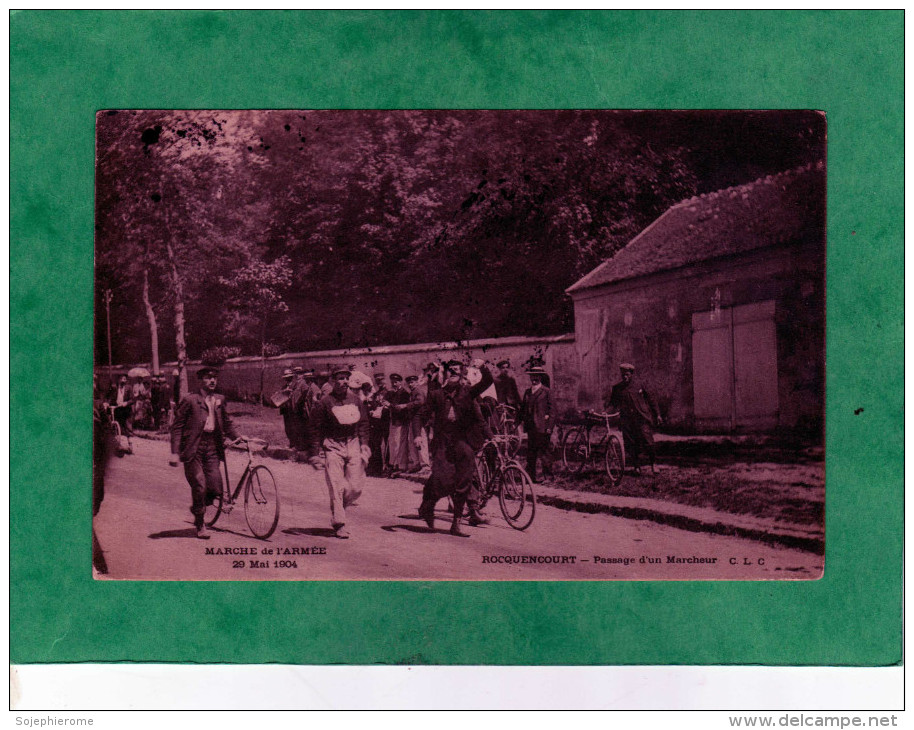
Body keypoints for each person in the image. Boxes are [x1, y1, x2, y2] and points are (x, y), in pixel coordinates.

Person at [416, 359, 494, 537]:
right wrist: (418, 434)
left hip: (461, 441)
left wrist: (482, 366)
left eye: (457, 372)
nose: (453, 374)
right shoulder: (436, 395)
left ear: (461, 376)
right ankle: (427, 506)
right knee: (443, 481)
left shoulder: (467, 393)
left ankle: (456, 523)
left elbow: (487, 381)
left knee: (464, 480)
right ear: (445, 373)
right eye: (450, 371)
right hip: (442, 442)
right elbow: (421, 414)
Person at [169, 367, 245, 539]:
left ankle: (199, 505)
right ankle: (200, 523)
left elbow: (226, 422)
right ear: (200, 380)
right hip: (193, 447)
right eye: (208, 378)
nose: (212, 381)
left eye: (215, 378)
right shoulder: (190, 400)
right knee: (199, 484)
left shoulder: (219, 399)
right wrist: (175, 452)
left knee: (215, 486)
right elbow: (177, 428)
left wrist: (238, 436)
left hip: (212, 448)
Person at [309, 367, 370, 539]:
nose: (343, 382)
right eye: (340, 378)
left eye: (346, 378)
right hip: (333, 445)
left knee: (355, 487)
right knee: (336, 484)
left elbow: (364, 423)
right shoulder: (325, 403)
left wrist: (364, 444)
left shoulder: (356, 401)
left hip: (353, 444)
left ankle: (340, 506)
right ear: (333, 381)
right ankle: (339, 523)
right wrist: (314, 453)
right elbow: (315, 429)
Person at [606, 363, 663, 475]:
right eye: (623, 375)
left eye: (627, 374)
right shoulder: (618, 388)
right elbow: (612, 404)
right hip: (626, 421)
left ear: (631, 374)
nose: (625, 377)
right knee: (631, 444)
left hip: (642, 419)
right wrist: (605, 412)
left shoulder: (640, 385)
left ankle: (653, 464)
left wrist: (658, 415)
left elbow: (651, 400)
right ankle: (636, 466)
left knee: (648, 442)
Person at [519, 365, 554, 482]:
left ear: (541, 377)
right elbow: (522, 409)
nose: (534, 379)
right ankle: (530, 477)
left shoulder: (546, 392)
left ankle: (548, 477)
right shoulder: (528, 392)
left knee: (544, 452)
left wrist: (549, 427)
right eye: (532, 376)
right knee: (531, 453)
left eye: (537, 376)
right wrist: (515, 423)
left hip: (542, 427)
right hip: (531, 428)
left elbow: (553, 411)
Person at [386, 373, 412, 472]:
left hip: (400, 421)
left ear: (400, 382)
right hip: (393, 421)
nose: (394, 383)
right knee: (393, 443)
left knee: (399, 444)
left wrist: (389, 405)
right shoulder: (392, 393)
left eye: (396, 382)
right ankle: (394, 464)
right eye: (392, 382)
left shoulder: (404, 393)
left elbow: (400, 408)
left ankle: (400, 465)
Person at [366, 373, 390, 476]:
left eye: (381, 381)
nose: (380, 383)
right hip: (377, 423)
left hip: (386, 421)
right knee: (377, 445)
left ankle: (387, 467)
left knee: (386, 445)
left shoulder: (389, 393)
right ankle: (378, 468)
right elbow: (373, 405)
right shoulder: (375, 394)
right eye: (378, 381)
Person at [405, 375, 427, 472]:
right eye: (409, 383)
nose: (410, 384)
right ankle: (416, 464)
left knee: (420, 441)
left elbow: (420, 401)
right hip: (413, 420)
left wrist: (406, 406)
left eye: (412, 382)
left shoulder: (419, 391)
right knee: (412, 442)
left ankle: (425, 465)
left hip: (419, 420)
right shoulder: (412, 392)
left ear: (417, 382)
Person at [106, 374, 134, 440]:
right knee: (115, 426)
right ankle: (117, 443)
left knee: (128, 427)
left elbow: (132, 399)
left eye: (124, 379)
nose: (122, 381)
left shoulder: (129, 388)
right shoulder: (114, 387)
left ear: (126, 380)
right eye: (121, 379)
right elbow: (108, 397)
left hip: (126, 410)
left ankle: (130, 443)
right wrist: (107, 403)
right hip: (117, 409)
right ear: (118, 380)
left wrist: (126, 403)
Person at [277, 368, 297, 448]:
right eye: (286, 377)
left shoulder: (295, 386)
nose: (287, 378)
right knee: (288, 427)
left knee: (294, 427)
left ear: (292, 377)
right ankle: (291, 443)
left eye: (289, 377)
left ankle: (295, 444)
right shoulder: (284, 387)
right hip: (286, 410)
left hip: (293, 409)